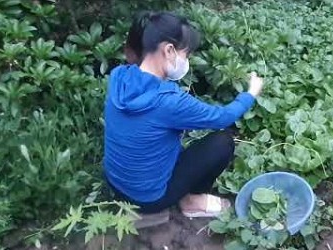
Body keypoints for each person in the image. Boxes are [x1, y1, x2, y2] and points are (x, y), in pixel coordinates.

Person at [103, 11, 264, 218]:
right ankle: (191, 200)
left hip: (115, 182)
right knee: (222, 142)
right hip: (146, 199)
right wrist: (251, 93)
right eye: (186, 54)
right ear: (169, 50)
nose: (186, 60)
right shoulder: (170, 101)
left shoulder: (119, 76)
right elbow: (222, 117)